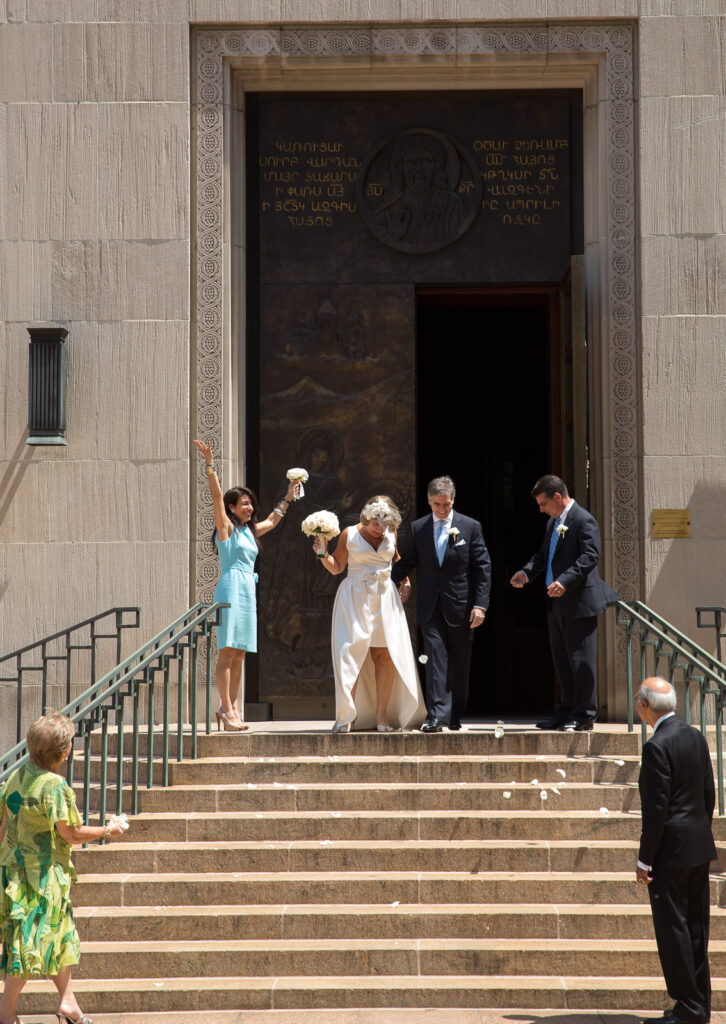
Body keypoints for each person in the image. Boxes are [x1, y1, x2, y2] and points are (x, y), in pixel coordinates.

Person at [0, 713, 127, 1024]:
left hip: (14, 871)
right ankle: (5, 1012)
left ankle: (68, 1002)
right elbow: (70, 832)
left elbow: (4, 827)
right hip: (42, 877)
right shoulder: (55, 786)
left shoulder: (15, 777)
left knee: (59, 936)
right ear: (64, 751)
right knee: (29, 944)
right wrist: (109, 830)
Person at [194, 440, 298, 731]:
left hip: (247, 590)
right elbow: (216, 498)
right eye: (244, 503)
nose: (250, 507)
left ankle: (234, 708)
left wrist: (288, 497)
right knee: (227, 650)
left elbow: (273, 521)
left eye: (251, 503)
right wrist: (209, 464)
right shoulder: (226, 528)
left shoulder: (251, 532)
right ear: (232, 508)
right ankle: (226, 709)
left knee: (240, 651)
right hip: (230, 587)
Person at [635, 678, 717, 1024]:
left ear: (644, 707)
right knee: (696, 927)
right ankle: (699, 1006)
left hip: (670, 852)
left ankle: (687, 1009)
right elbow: (708, 793)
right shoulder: (695, 736)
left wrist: (644, 859)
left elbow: (656, 810)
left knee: (674, 930)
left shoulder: (657, 746)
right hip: (698, 846)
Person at [509, 474, 618, 732]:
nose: (541, 509)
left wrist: (565, 581)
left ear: (558, 497)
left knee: (581, 661)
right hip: (556, 605)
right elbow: (544, 556)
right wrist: (526, 573)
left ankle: (584, 714)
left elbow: (591, 556)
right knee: (562, 661)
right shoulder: (553, 524)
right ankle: (566, 710)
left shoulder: (583, 520)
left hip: (579, 603)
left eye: (543, 503)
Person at [312, 496, 426, 733]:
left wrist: (405, 582)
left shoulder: (391, 534)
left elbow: (396, 561)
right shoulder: (349, 534)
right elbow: (337, 567)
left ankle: (382, 716)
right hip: (355, 598)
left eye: (386, 524)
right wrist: (323, 553)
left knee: (384, 656)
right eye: (377, 524)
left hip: (384, 599)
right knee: (351, 655)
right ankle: (347, 716)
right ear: (367, 517)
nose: (381, 529)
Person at [391, 476, 491, 732]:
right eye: (437, 504)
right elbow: (408, 562)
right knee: (435, 658)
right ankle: (437, 715)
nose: (442, 510)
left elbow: (482, 568)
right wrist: (381, 577)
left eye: (446, 504)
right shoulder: (418, 528)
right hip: (429, 605)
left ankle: (456, 712)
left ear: (453, 500)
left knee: (459, 662)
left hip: (461, 606)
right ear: (429, 501)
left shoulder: (470, 527)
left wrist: (480, 605)